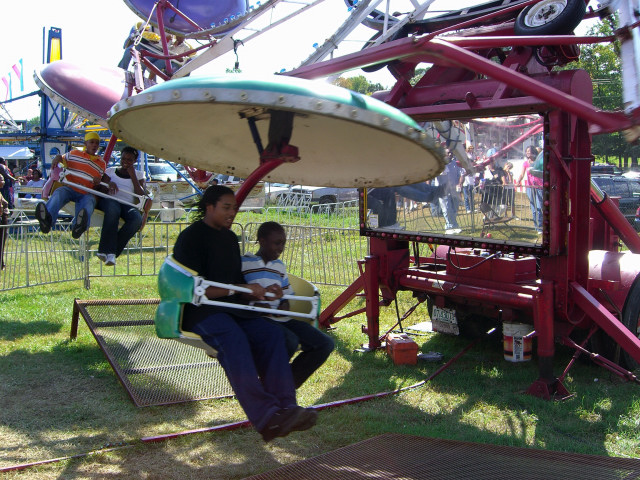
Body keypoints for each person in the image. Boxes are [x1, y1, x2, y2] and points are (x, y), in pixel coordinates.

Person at [173, 185, 317, 442]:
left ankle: (286, 408)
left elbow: (233, 280)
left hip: (233, 308)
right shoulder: (191, 238)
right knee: (234, 339)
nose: (232, 213)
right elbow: (192, 287)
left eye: (234, 208)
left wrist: (259, 291)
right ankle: (266, 418)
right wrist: (241, 289)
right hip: (200, 310)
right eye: (226, 208)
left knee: (273, 334)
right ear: (210, 208)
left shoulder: (229, 238)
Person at [241, 221, 334, 389]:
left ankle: (284, 385)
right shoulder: (245, 263)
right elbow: (237, 293)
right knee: (289, 341)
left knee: (325, 343)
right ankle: (275, 385)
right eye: (277, 243)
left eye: (283, 243)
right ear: (262, 241)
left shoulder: (279, 267)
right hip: (257, 318)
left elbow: (286, 298)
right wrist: (260, 303)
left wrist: (282, 303)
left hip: (280, 319)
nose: (281, 248)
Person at [34, 132, 107, 239]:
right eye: (92, 142)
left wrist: (98, 181)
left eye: (97, 143)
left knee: (89, 201)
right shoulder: (74, 154)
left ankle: (79, 226)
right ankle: (47, 220)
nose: (95, 145)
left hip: (86, 192)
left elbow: (98, 182)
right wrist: (57, 157)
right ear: (85, 143)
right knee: (60, 192)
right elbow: (62, 158)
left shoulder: (101, 163)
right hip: (71, 188)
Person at [96, 146, 146, 266]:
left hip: (127, 205)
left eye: (129, 160)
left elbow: (141, 195)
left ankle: (111, 252)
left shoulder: (139, 174)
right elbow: (101, 189)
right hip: (110, 201)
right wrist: (109, 183)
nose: (125, 162)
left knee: (136, 220)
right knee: (113, 209)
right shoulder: (110, 171)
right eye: (123, 159)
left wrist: (133, 176)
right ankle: (106, 250)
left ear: (134, 161)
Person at [517, 146, 544, 234]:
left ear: (533, 152)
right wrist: (518, 181)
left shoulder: (538, 162)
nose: (528, 153)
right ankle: (536, 226)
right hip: (530, 188)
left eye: (529, 151)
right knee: (533, 207)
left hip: (539, 187)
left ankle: (540, 226)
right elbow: (522, 174)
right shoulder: (525, 163)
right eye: (527, 151)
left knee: (539, 207)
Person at [434, 160, 463, 234]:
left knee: (455, 208)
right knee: (446, 208)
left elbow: (461, 174)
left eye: (451, 152)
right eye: (448, 153)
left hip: (454, 189)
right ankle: (449, 226)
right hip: (443, 190)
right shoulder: (439, 164)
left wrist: (460, 183)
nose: (450, 154)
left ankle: (454, 225)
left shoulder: (456, 164)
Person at [0, 174, 9, 270]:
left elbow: (5, 203)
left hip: (3, 220)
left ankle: (1, 263)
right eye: (1, 180)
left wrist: (5, 211)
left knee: (2, 243)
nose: (3, 182)